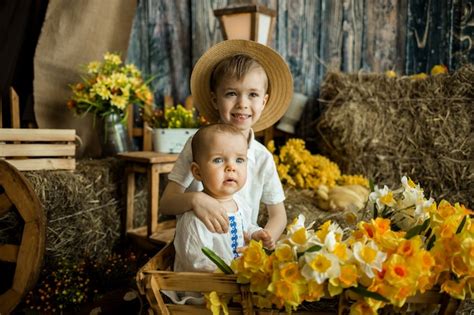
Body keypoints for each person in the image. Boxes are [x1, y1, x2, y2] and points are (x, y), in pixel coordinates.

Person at [160, 39, 294, 249]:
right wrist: (195, 200)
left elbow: (279, 216)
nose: (242, 104)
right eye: (231, 93)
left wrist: (262, 241)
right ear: (215, 100)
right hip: (199, 250)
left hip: (240, 252)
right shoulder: (198, 143)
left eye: (253, 94)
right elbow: (167, 202)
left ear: (264, 102)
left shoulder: (261, 157)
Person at [173, 123, 271, 272]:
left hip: (234, 281)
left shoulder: (240, 204)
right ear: (198, 172)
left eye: (239, 160)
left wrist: (255, 234)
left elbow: (245, 226)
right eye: (218, 160)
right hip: (203, 289)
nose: (231, 167)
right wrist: (231, 270)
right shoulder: (195, 219)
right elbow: (196, 262)